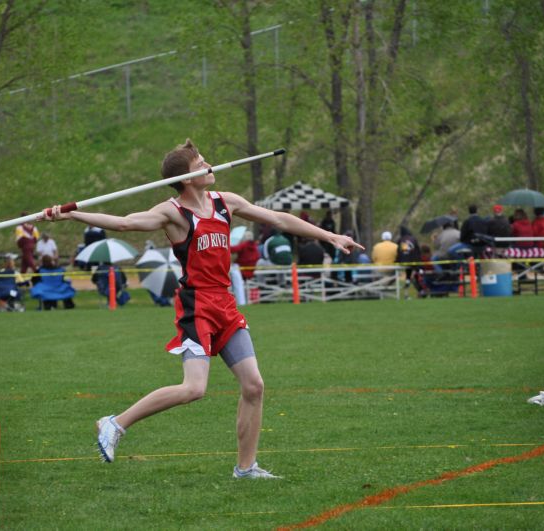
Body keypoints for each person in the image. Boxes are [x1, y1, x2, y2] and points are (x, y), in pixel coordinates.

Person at [41, 138, 362, 479]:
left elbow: (279, 218)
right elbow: (124, 223)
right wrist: (72, 214)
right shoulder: (172, 213)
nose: (210, 167)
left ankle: (246, 468)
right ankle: (116, 423)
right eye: (201, 166)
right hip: (197, 307)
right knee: (194, 389)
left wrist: (330, 237)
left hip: (225, 302)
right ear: (186, 179)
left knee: (254, 385)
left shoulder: (226, 202)